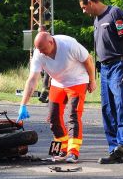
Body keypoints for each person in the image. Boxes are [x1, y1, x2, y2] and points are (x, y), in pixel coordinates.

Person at [17, 32, 96, 163]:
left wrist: (92, 80)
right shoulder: (39, 53)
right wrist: (23, 105)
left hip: (77, 81)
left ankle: (73, 152)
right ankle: (60, 150)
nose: (41, 53)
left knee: (73, 116)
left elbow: (88, 60)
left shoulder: (69, 45)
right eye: (39, 49)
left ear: (51, 42)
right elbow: (32, 80)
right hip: (58, 83)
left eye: (43, 49)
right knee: (53, 118)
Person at [79, 0, 123, 164]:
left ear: (90, 2)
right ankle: (114, 149)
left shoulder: (114, 13)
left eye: (83, 7)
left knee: (122, 104)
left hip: (118, 65)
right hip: (104, 69)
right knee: (108, 109)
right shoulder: (97, 20)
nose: (84, 12)